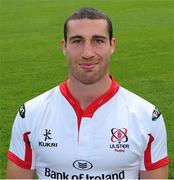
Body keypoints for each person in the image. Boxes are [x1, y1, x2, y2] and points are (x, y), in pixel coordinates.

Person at [6, 7, 169, 179]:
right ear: (64, 46)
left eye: (98, 41)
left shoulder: (147, 116)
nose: (87, 53)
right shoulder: (30, 114)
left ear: (112, 45)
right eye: (77, 41)